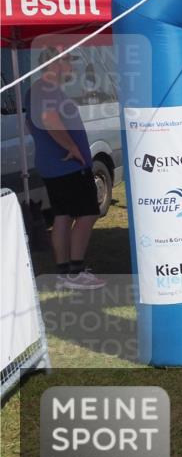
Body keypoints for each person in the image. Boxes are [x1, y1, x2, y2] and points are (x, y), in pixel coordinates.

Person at [26, 47, 105, 290]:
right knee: (87, 213)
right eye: (68, 60)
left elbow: (35, 123)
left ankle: (65, 273)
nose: (72, 65)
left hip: (57, 164)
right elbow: (48, 119)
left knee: (63, 215)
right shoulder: (45, 88)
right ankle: (75, 272)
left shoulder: (41, 89)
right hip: (66, 165)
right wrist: (73, 148)